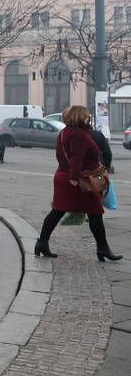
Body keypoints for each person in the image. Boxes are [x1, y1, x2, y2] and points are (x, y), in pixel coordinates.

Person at [34, 106, 122, 262]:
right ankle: (103, 249)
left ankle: (42, 243)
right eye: (86, 115)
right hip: (78, 181)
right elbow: (77, 157)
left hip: (64, 176)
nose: (88, 117)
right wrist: (74, 179)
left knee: (58, 211)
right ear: (80, 117)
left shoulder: (65, 132)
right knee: (95, 212)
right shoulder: (78, 134)